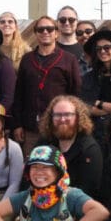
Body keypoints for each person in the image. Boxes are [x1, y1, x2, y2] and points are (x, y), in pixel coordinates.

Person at [11, 15, 82, 156]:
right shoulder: (27, 59)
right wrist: (17, 125)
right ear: (36, 33)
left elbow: (75, 94)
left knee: (58, 166)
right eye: (40, 29)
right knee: (32, 165)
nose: (45, 32)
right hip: (31, 128)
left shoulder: (69, 59)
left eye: (49, 29)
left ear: (56, 33)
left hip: (58, 127)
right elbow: (19, 94)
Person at [37, 95, 103, 197]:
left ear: (78, 117)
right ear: (51, 118)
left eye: (68, 114)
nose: (62, 119)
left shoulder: (89, 149)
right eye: (57, 115)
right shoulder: (44, 143)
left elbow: (89, 190)